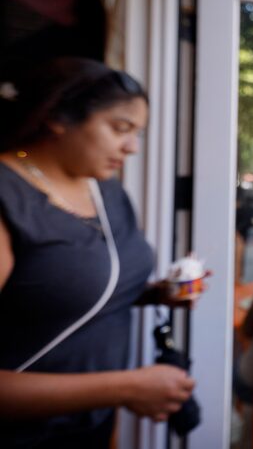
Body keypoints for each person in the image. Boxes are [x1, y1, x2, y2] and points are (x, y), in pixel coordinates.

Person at [0, 57, 196, 447]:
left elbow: (59, 285)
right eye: (120, 128)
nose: (133, 147)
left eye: (138, 133)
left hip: (89, 431)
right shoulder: (9, 197)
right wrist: (123, 388)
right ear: (58, 117)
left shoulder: (105, 189)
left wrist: (154, 293)